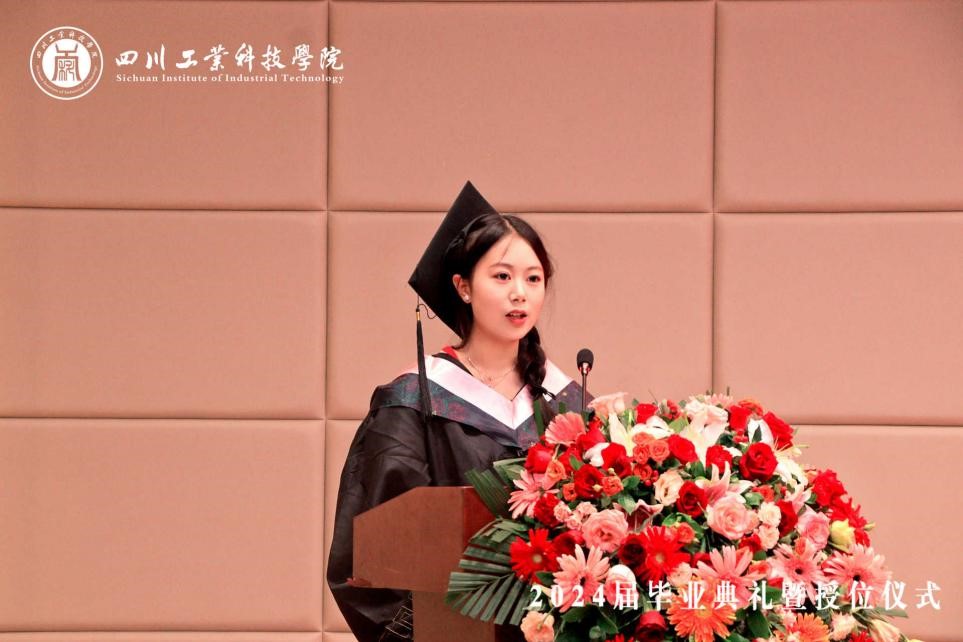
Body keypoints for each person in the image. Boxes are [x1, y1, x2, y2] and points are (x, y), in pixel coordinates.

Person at [326, 181, 591, 642]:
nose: (520, 293)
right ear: (463, 287)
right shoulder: (414, 402)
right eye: (502, 277)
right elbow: (371, 553)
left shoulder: (568, 405)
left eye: (533, 279)